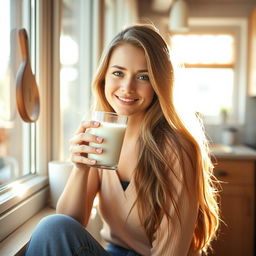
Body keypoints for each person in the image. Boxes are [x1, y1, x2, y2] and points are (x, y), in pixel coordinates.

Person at [25, 24, 220, 256]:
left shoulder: (175, 147)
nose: (127, 87)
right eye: (118, 73)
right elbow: (68, 224)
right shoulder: (102, 135)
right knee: (52, 226)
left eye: (143, 77)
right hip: (113, 251)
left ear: (158, 85)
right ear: (103, 79)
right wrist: (80, 169)